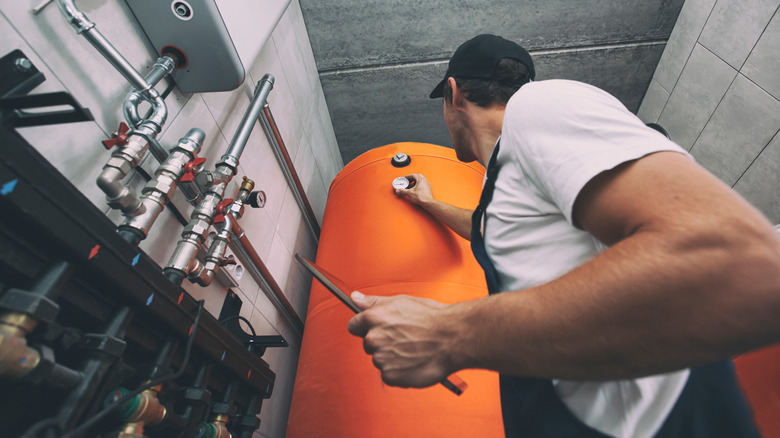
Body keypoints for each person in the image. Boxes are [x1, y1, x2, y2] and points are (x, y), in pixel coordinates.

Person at [346, 34, 780, 437]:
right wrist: (428, 203)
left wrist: (446, 334)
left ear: (453, 94)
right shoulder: (503, 175)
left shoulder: (540, 106)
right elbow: (484, 227)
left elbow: (735, 266)